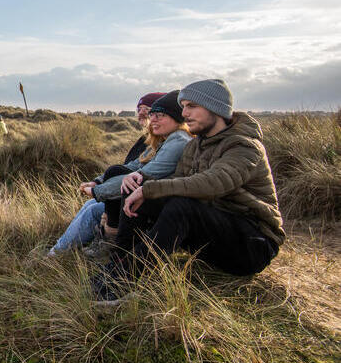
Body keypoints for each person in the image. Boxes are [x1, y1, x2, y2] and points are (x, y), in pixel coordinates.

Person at [94, 79, 285, 302]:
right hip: (212, 236)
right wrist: (141, 179)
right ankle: (118, 265)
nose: (184, 113)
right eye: (183, 106)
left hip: (252, 244)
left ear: (216, 108)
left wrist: (150, 188)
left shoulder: (244, 146)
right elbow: (179, 180)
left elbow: (213, 183)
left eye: (191, 106)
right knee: (136, 188)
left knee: (180, 206)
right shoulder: (196, 145)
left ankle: (120, 283)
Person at [49, 91, 183, 255]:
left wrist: (98, 191)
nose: (150, 117)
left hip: (153, 201)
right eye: (149, 113)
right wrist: (98, 182)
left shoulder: (176, 141)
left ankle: (59, 253)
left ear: (176, 116)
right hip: (147, 195)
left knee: (94, 209)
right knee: (92, 203)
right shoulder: (159, 139)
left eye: (157, 114)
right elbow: (132, 166)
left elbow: (144, 174)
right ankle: (66, 247)